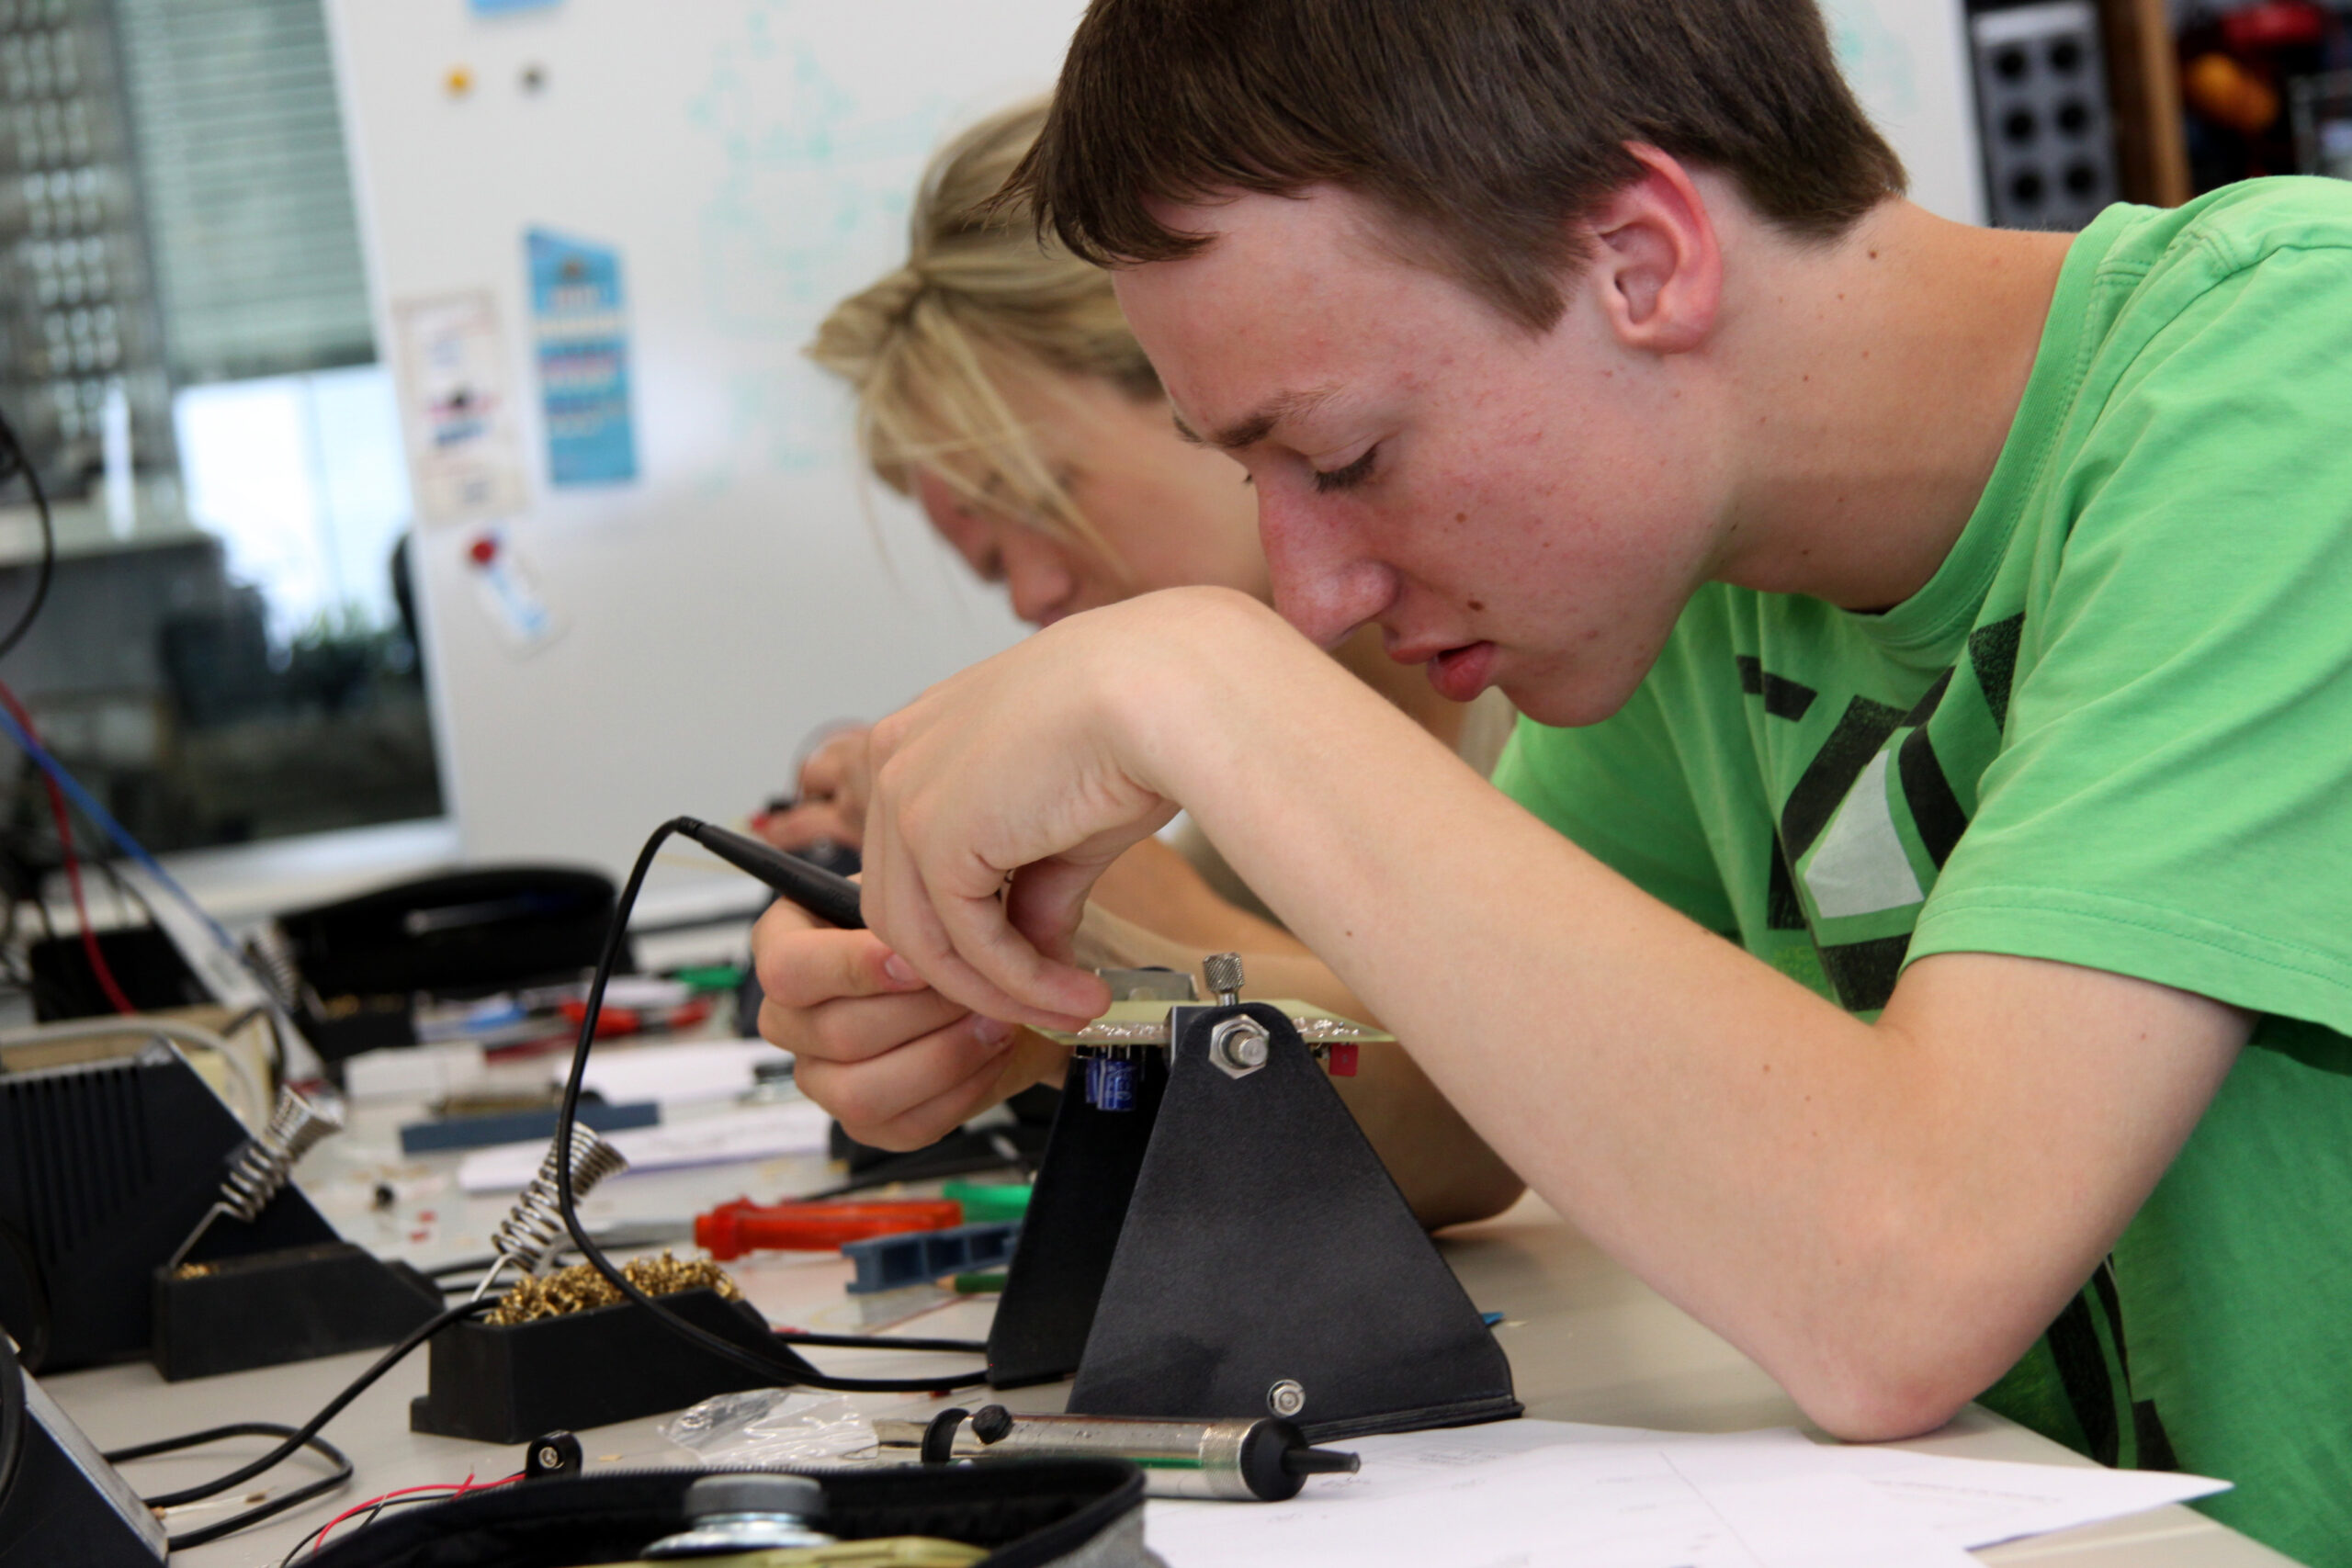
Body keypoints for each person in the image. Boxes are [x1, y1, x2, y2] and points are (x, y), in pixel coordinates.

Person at [753, 1, 2352, 1558]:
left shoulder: (2294, 381)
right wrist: (1057, 978)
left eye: (1347, 457)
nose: (1312, 591)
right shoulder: (1690, 561)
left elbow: (1905, 1281)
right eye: (1255, 479)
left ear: (1639, 260)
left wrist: (1198, 687)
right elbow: (1468, 1114)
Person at [763, 98, 1525, 1229]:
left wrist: (1165, 934)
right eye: (988, 568)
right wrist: (1042, 994)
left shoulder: (1562, 679)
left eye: (1043, 499)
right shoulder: (1264, 766)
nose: (1031, 599)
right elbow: (1458, 1147)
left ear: (1193, 373)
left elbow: (1547, 1118)